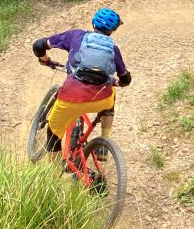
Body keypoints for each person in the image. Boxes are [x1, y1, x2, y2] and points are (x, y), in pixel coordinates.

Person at [32, 8, 132, 151]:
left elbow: (38, 46)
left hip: (70, 99)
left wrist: (46, 60)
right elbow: (126, 79)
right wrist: (116, 82)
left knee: (53, 134)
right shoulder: (112, 49)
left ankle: (54, 171)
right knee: (111, 94)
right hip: (100, 100)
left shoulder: (75, 35)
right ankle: (104, 143)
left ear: (93, 24)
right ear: (112, 31)